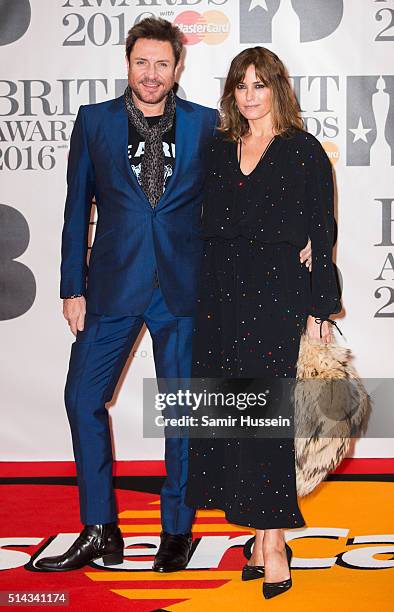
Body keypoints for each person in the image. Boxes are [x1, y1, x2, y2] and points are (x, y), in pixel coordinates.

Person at [35, 19, 312, 573]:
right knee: (80, 399)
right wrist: (72, 286)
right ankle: (99, 528)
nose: (152, 73)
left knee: (185, 415)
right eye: (143, 62)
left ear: (178, 67)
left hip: (189, 292)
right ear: (128, 63)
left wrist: (303, 237)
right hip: (111, 288)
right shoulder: (95, 122)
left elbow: (254, 186)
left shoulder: (210, 126)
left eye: (163, 63)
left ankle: (177, 530)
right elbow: (75, 211)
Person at [185, 46, 341, 599]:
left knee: (268, 418)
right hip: (220, 296)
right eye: (241, 85)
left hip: (276, 293)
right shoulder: (218, 150)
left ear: (278, 88)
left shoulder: (303, 152)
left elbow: (321, 230)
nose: (250, 95)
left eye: (260, 84)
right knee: (237, 417)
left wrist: (321, 305)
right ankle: (258, 535)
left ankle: (274, 543)